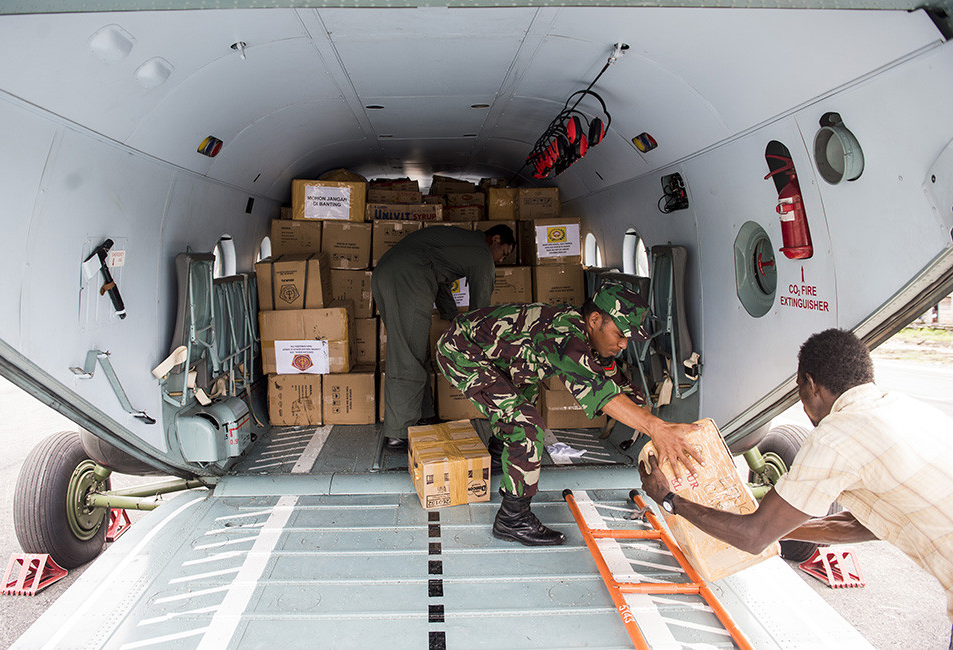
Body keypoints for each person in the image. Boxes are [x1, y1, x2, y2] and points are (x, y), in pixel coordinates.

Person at [639, 328, 953, 639]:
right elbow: (864, 525)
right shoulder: (905, 407)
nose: (803, 405)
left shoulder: (836, 435)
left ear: (811, 385)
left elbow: (753, 536)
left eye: (800, 391)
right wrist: (780, 529)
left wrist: (668, 497)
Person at [436, 284, 702, 547]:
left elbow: (618, 385)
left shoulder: (589, 338)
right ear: (594, 320)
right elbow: (600, 393)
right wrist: (656, 428)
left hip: (502, 359)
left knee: (524, 396)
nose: (623, 344)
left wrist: (650, 423)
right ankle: (513, 518)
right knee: (526, 424)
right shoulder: (564, 334)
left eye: (628, 339)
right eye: (620, 334)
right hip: (460, 350)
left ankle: (500, 454)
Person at [372, 224, 516, 451]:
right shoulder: (481, 253)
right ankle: (398, 432)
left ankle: (425, 415)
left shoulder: (461, 244)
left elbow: (441, 282)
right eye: (504, 253)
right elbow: (481, 308)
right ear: (495, 239)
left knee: (415, 350)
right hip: (407, 276)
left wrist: (452, 317)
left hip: (391, 272)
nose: (500, 260)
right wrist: (478, 344)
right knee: (407, 354)